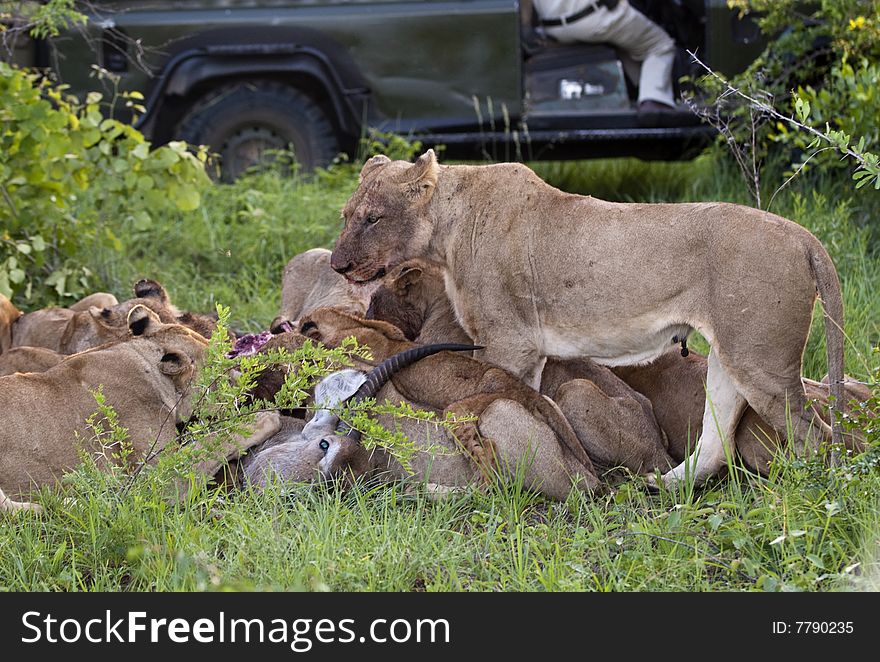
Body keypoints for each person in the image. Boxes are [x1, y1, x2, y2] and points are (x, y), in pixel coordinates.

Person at [530, 0, 677, 113]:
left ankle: (637, 90)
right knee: (659, 45)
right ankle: (655, 101)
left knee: (628, 42)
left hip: (553, 28)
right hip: (594, 19)